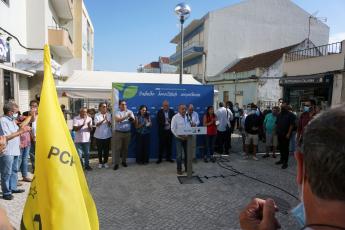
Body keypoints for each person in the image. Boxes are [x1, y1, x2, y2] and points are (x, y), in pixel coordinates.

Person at [240, 106, 345, 230]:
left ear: (301, 169)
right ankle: (281, 160)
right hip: (278, 134)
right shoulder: (279, 116)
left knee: (283, 150)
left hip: (285, 136)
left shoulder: (290, 116)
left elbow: (293, 125)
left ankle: (284, 160)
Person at [0, 102, 31, 200]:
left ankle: (13, 187)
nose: (17, 113)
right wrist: (21, 132)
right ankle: (6, 192)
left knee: (14, 170)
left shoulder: (12, 120)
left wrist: (23, 129)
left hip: (15, 149)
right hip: (7, 150)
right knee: (6, 172)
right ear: (10, 112)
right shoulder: (3, 120)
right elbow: (6, 137)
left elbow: (17, 132)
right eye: (15, 111)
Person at [113, 100, 135, 170]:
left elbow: (133, 121)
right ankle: (116, 164)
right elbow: (118, 120)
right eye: (122, 104)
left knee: (125, 148)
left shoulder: (130, 112)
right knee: (118, 148)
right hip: (119, 133)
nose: (124, 106)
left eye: (125, 104)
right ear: (119, 105)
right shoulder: (117, 112)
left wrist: (131, 118)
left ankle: (124, 161)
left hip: (127, 133)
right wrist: (126, 117)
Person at [171, 104, 191, 175]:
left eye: (185, 109)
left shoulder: (187, 116)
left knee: (187, 154)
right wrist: (179, 137)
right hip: (178, 138)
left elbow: (189, 126)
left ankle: (187, 169)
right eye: (182, 109)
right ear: (178, 109)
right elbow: (173, 129)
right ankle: (179, 169)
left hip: (187, 138)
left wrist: (188, 135)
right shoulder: (175, 117)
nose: (184, 110)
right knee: (179, 155)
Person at [15, 106, 32, 182]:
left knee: (24, 160)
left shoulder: (27, 122)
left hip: (27, 143)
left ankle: (24, 176)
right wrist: (29, 116)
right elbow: (21, 125)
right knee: (19, 161)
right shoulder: (18, 120)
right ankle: (14, 179)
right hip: (20, 143)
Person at [275, 104, 295, 169]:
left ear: (287, 107)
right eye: (281, 107)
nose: (282, 108)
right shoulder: (279, 114)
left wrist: (288, 133)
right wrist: (276, 131)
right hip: (279, 134)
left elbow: (291, 125)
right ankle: (281, 160)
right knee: (280, 147)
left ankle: (285, 163)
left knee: (285, 148)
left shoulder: (291, 115)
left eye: (284, 107)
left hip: (286, 134)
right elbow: (277, 123)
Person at [94, 102, 112, 169]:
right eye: (103, 106)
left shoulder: (109, 114)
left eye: (105, 106)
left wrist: (106, 119)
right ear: (100, 108)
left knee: (106, 150)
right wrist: (103, 120)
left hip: (107, 135)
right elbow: (97, 124)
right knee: (100, 150)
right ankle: (100, 162)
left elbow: (109, 124)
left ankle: (105, 162)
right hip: (99, 136)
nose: (105, 108)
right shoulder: (97, 115)